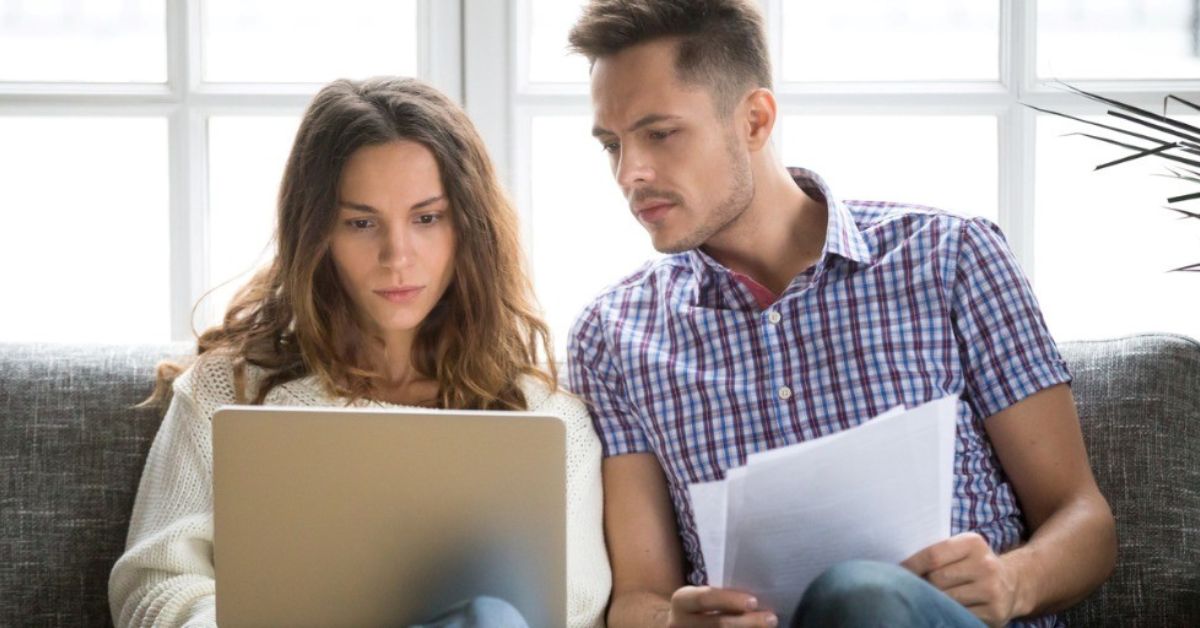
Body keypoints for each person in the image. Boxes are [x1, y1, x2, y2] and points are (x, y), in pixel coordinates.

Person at [564, 1, 1116, 627]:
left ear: (754, 119)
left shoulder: (950, 257)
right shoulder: (612, 336)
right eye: (612, 144)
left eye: (659, 133)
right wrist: (673, 623)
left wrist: (1012, 581)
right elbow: (639, 594)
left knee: (862, 596)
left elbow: (1083, 520)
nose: (629, 173)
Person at [108, 77, 611, 628]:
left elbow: (574, 606)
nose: (397, 256)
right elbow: (155, 583)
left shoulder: (546, 417)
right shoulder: (229, 390)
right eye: (361, 223)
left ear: (470, 227)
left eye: (427, 218)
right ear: (317, 233)